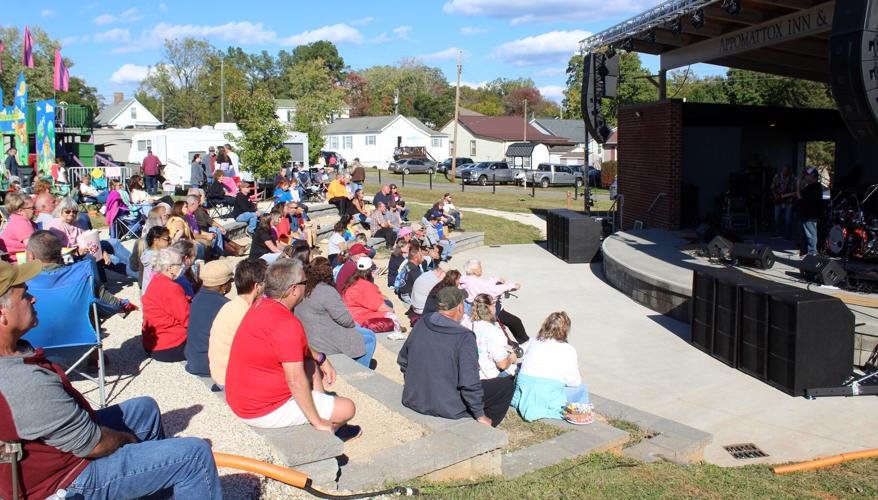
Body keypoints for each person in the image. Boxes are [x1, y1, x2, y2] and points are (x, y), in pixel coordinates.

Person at [0, 260, 222, 500]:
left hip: (61, 451)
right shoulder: (20, 381)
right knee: (194, 455)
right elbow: (93, 445)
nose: (33, 298)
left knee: (144, 408)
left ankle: (156, 489)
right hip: (63, 479)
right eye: (24, 294)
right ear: (2, 314)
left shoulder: (14, 351)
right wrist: (127, 440)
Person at [225, 259, 358, 434]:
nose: (306, 286)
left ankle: (322, 407)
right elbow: (295, 380)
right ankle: (325, 425)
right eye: (304, 282)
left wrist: (321, 358)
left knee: (311, 364)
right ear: (293, 290)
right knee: (348, 408)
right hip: (262, 409)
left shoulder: (261, 304)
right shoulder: (287, 324)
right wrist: (316, 421)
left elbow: (294, 348)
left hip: (244, 396)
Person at [398, 287, 514, 427]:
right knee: (505, 385)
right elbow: (469, 382)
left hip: (414, 397)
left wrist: (414, 386)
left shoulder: (423, 322)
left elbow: (403, 359)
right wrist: (479, 414)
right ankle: (486, 428)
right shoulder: (463, 336)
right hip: (447, 406)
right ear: (459, 307)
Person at [26, 230, 138, 319]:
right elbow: (114, 304)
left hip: (39, 339)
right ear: (61, 252)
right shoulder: (83, 275)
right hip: (82, 334)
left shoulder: (24, 283)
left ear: (31, 256)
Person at [297, 257, 376, 368]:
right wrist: (352, 325)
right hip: (323, 339)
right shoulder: (326, 290)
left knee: (364, 331)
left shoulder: (305, 288)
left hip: (312, 332)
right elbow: (345, 320)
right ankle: (358, 370)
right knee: (370, 338)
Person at [512, 312, 588, 422]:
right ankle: (580, 413)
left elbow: (520, 352)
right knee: (581, 388)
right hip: (548, 396)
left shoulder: (533, 341)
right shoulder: (569, 350)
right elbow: (574, 382)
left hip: (522, 394)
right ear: (566, 330)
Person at [209, 259, 266, 388]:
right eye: (265, 283)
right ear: (257, 287)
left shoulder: (231, 306)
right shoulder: (246, 315)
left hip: (220, 372)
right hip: (231, 379)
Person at [461, 259, 528, 345]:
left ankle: (512, 341)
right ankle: (526, 342)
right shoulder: (477, 283)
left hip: (473, 308)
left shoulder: (466, 279)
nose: (482, 269)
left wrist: (496, 279)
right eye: (480, 267)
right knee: (515, 321)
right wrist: (512, 286)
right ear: (474, 271)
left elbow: (487, 284)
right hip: (486, 309)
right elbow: (493, 290)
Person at [185, 260, 233, 377]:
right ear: (224, 285)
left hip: (193, 360)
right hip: (209, 365)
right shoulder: (225, 305)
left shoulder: (196, 299)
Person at [141, 248, 190, 362]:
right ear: (169, 268)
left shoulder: (156, 280)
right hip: (169, 347)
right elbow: (188, 319)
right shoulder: (171, 288)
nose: (182, 265)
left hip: (152, 343)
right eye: (179, 263)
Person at [341, 257, 402, 335]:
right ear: (370, 271)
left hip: (350, 314)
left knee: (387, 304)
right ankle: (397, 334)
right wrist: (391, 311)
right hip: (357, 318)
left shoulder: (353, 281)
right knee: (392, 316)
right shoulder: (366, 285)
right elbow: (380, 307)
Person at [471, 293, 519, 379]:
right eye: (493, 303)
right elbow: (502, 365)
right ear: (489, 308)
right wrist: (512, 358)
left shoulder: (470, 326)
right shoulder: (493, 331)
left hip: (473, 375)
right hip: (491, 377)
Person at [0, 192, 36, 263]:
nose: (34, 210)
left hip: (9, 261)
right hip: (18, 263)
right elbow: (32, 248)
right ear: (20, 211)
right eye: (32, 208)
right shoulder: (21, 222)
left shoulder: (13, 218)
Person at [137, 225, 172, 294]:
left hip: (147, 291)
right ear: (155, 240)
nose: (170, 241)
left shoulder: (147, 252)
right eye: (167, 239)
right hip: (154, 295)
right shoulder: (156, 257)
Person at [797, 166, 823, 256]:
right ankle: (804, 254)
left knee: (810, 236)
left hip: (810, 216)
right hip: (805, 215)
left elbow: (800, 198)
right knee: (804, 237)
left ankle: (812, 255)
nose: (805, 177)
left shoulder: (815, 187)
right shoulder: (809, 187)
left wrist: (798, 186)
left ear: (813, 176)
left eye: (807, 175)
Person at [771, 164, 796, 239]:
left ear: (789, 171)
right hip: (778, 199)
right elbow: (772, 187)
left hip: (788, 200)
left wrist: (787, 195)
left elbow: (795, 191)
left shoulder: (793, 178)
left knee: (788, 219)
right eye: (783, 170)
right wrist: (775, 194)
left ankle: (787, 235)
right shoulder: (777, 176)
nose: (784, 171)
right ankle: (777, 232)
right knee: (776, 217)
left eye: (786, 170)